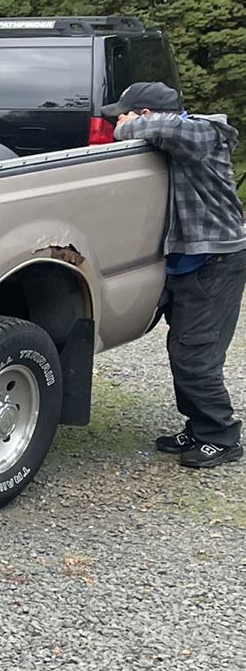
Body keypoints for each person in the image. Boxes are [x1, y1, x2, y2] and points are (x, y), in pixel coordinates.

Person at [105, 80, 246, 468]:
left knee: (196, 355)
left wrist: (126, 127)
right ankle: (200, 425)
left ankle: (221, 436)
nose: (120, 120)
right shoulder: (177, 138)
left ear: (147, 114)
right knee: (181, 349)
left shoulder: (200, 133)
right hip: (187, 259)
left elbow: (162, 128)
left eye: (127, 113)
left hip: (215, 260)